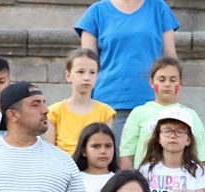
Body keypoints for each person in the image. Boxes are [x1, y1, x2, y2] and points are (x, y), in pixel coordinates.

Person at [72, 0, 180, 132]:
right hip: (109, 103)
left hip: (154, 102)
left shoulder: (159, 8)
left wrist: (175, 104)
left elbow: (170, 60)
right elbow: (87, 64)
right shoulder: (96, 12)